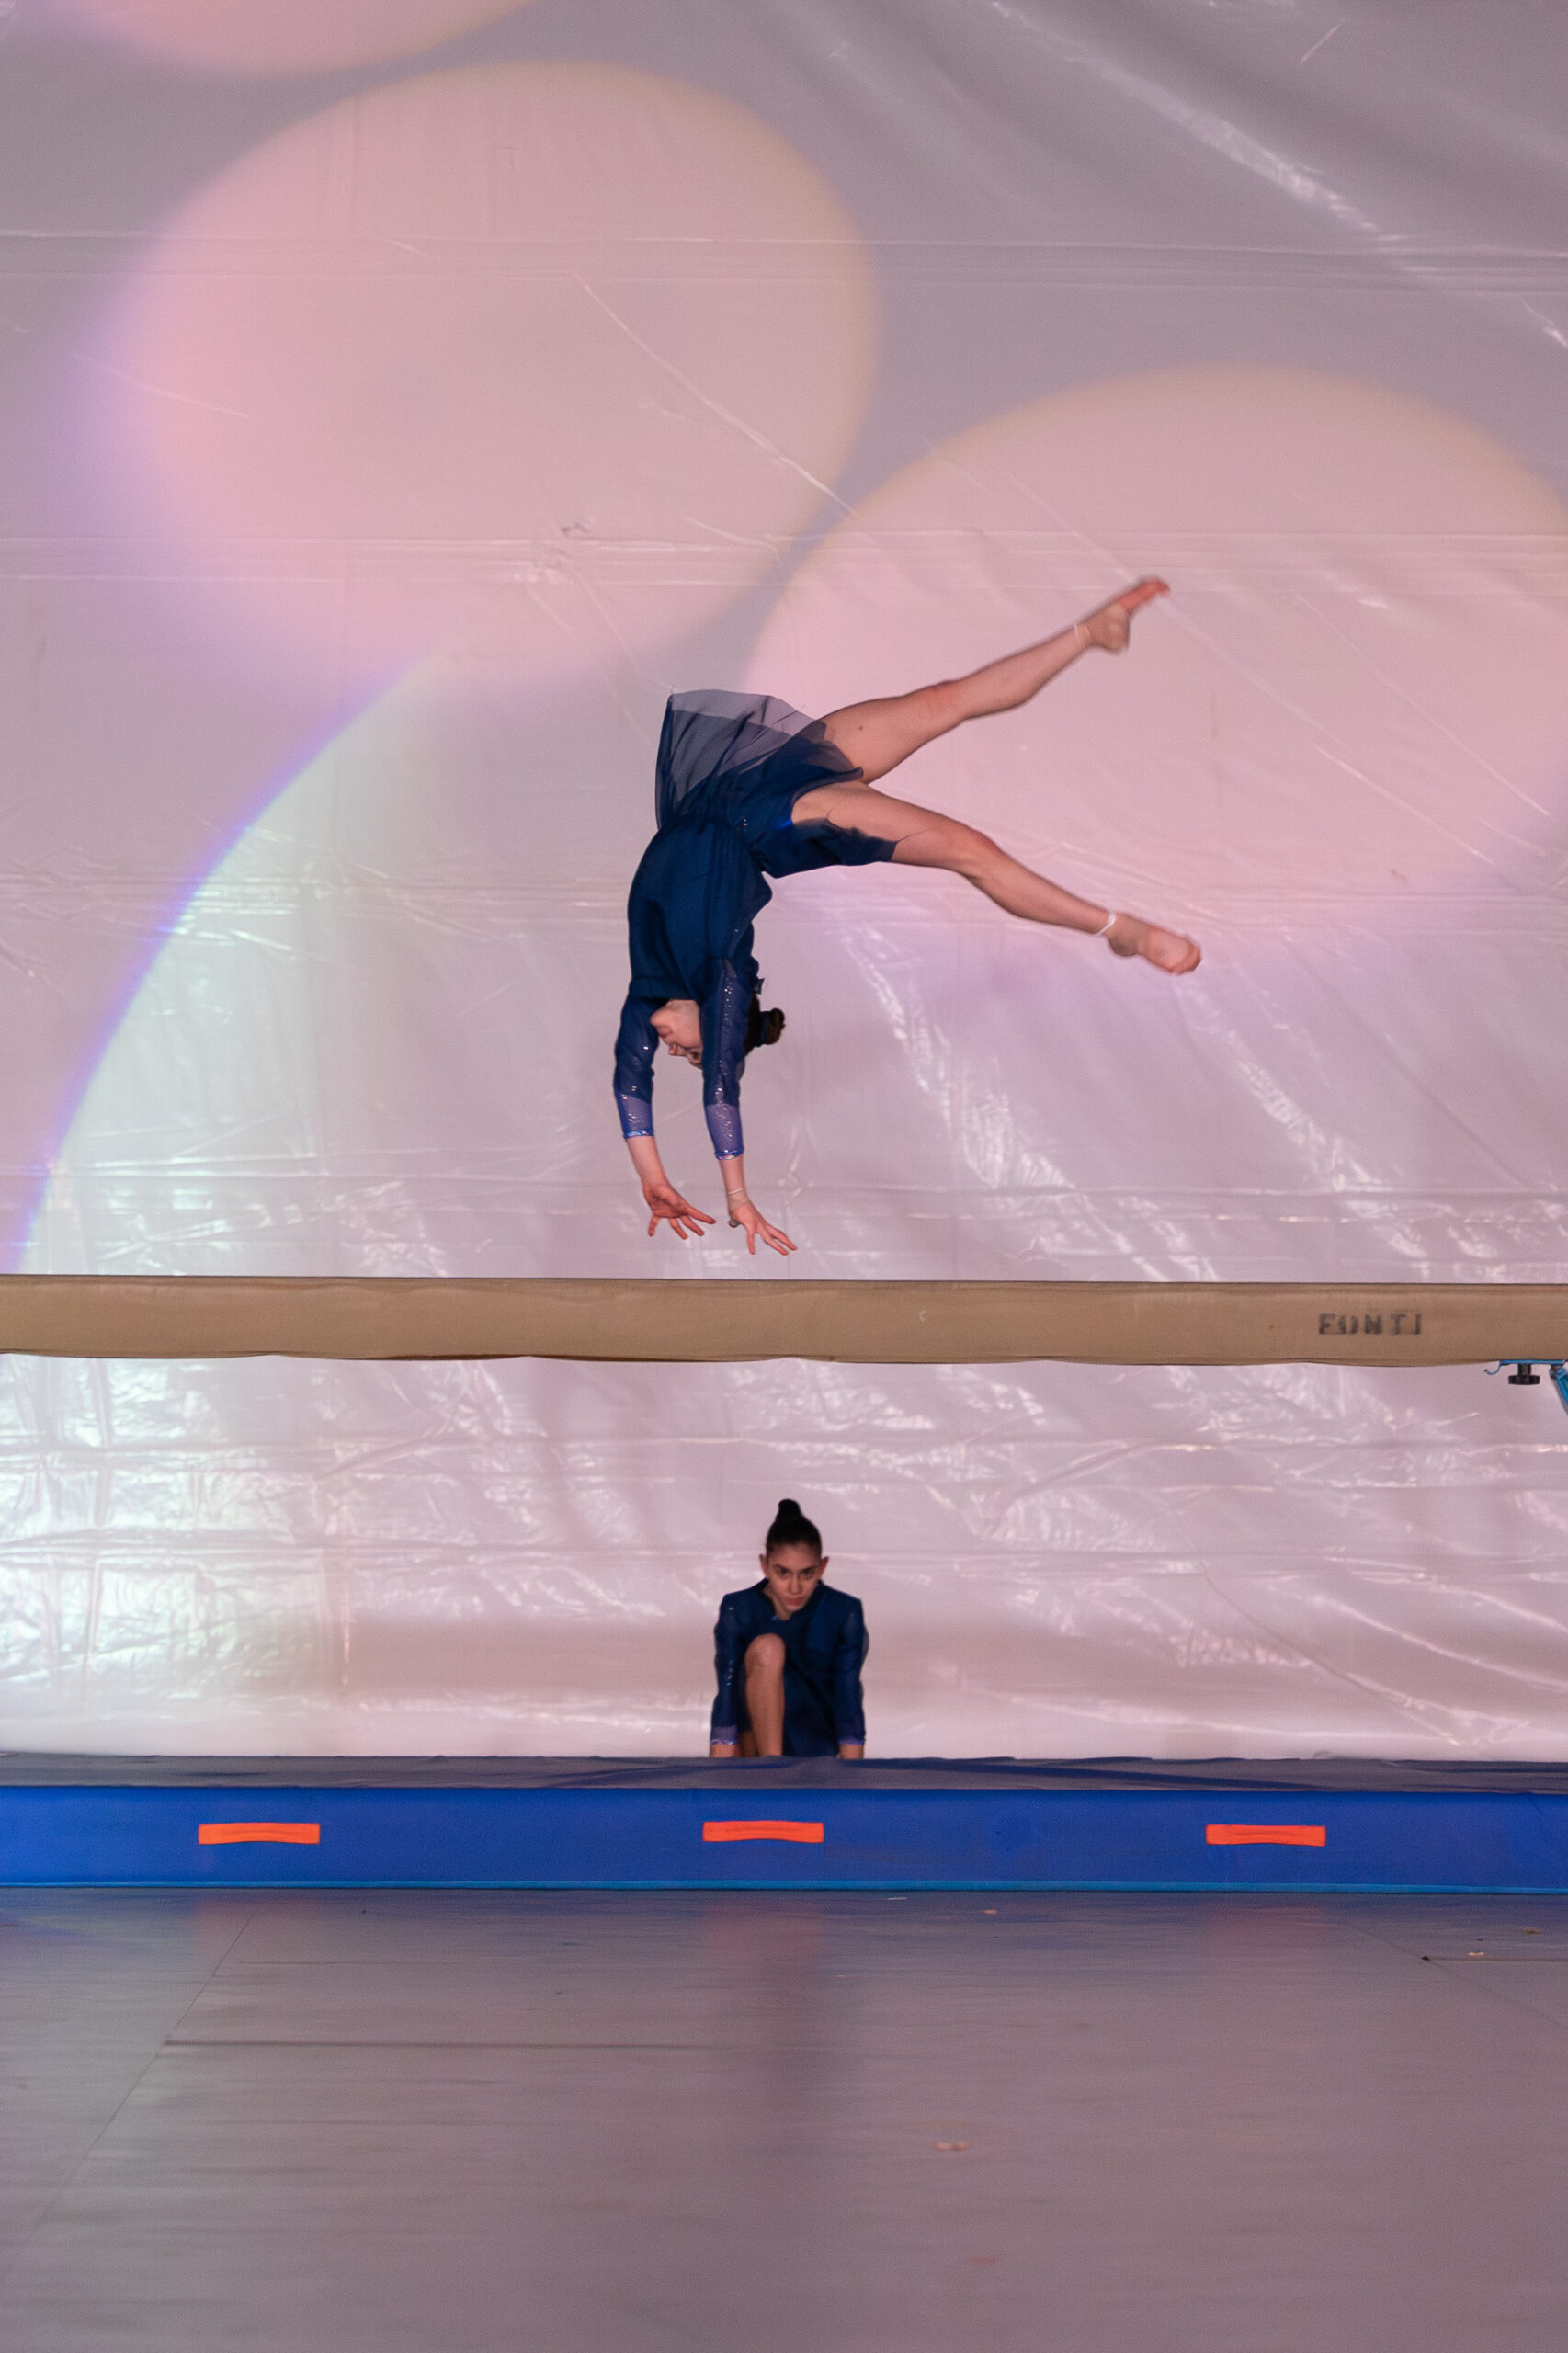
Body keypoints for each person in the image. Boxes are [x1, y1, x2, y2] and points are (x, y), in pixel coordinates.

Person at [613, 578, 1200, 1257]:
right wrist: (738, 1199)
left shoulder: (649, 989)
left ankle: (1089, 632)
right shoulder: (722, 984)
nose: (677, 1051)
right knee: (971, 851)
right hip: (776, 823)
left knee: (939, 702)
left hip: (745, 778)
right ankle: (1120, 930)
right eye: (692, 1053)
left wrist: (653, 1180)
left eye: (683, 1054)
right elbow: (721, 1095)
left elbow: (629, 1084)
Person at [710, 1499, 866, 1761]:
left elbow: (848, 1699)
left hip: (816, 1747)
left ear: (822, 1567)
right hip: (753, 1753)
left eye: (806, 1574)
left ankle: (783, 1772)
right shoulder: (739, 1609)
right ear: (765, 1566)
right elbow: (727, 1697)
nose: (794, 1587)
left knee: (775, 1651)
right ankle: (773, 1770)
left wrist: (852, 1777)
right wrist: (718, 1774)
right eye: (782, 1573)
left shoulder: (843, 1611)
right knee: (768, 1648)